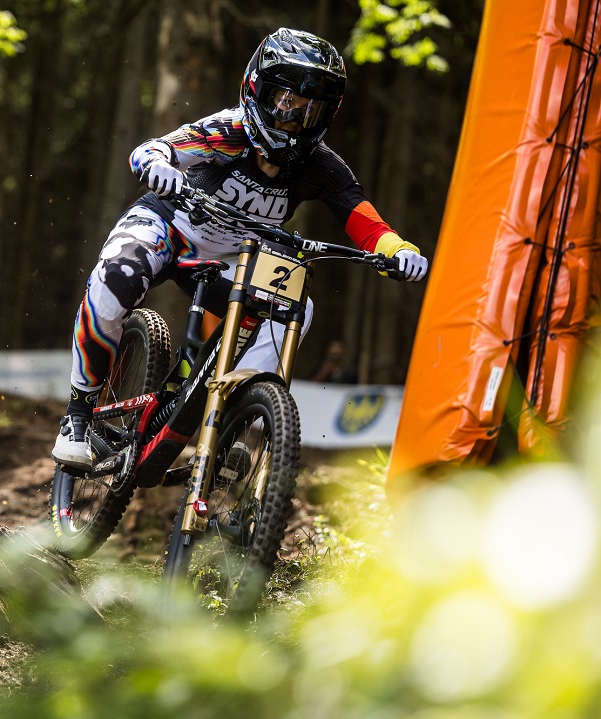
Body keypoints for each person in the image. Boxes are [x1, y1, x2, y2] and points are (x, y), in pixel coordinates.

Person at [52, 27, 429, 469]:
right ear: (258, 90)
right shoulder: (230, 130)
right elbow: (154, 149)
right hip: (168, 226)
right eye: (286, 103)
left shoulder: (321, 165)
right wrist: (158, 165)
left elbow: (360, 215)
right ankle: (78, 413)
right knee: (116, 278)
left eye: (311, 111)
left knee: (296, 306)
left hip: (231, 258)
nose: (294, 121)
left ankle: (231, 418)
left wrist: (396, 248)